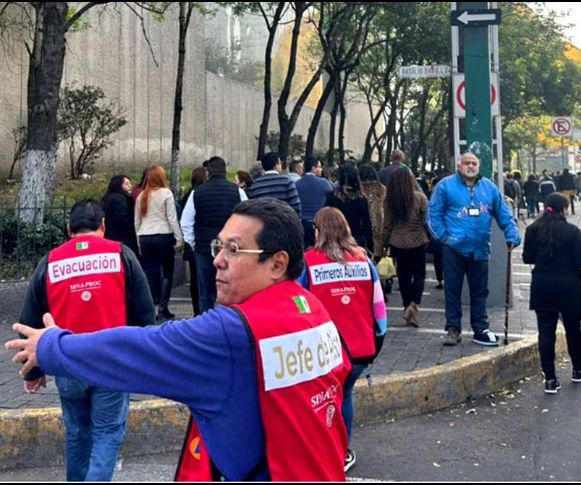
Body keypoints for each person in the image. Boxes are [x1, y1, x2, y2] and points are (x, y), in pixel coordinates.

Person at [7, 199, 352, 481]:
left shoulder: (230, 333)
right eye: (219, 246)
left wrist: (49, 347)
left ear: (277, 264)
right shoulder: (312, 310)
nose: (217, 260)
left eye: (234, 249)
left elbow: (140, 350)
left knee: (84, 434)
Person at [18, 200, 155, 481]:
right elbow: (144, 313)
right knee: (107, 432)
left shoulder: (50, 261)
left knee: (77, 433)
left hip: (67, 362)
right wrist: (145, 360)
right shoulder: (121, 255)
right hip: (112, 361)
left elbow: (29, 319)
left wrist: (34, 370)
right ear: (103, 225)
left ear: (69, 230)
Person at [297, 207, 387, 473]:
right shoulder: (364, 261)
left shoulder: (307, 263)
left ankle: (319, 450)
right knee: (344, 395)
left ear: (318, 231)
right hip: (359, 350)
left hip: (321, 352)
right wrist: (376, 344)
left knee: (319, 401)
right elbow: (379, 310)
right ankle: (342, 450)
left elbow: (297, 304)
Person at [428, 152, 521, 347]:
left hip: (480, 248)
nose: (470, 166)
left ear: (478, 166)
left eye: (474, 163)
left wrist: (512, 234)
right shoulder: (445, 186)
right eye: (466, 163)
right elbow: (433, 214)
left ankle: (480, 328)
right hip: (454, 249)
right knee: (452, 290)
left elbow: (504, 214)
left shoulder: (489, 188)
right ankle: (453, 328)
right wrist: (444, 238)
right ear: (459, 166)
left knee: (480, 291)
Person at [523, 193, 581, 393]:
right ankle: (577, 369)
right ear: (564, 209)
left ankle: (550, 379)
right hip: (569, 286)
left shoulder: (532, 229)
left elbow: (527, 258)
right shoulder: (572, 231)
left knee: (545, 331)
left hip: (542, 285)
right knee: (573, 328)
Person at [181, 157, 248, 314]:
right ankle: (231, 318)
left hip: (204, 247)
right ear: (225, 172)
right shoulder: (237, 191)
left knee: (205, 292)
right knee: (231, 287)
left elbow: (186, 222)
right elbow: (247, 217)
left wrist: (193, 242)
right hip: (230, 249)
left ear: (208, 172)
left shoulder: (197, 193)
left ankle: (206, 320)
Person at [134, 165, 183, 321]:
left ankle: (152, 305)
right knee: (167, 272)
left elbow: (137, 221)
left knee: (151, 272)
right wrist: (179, 238)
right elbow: (172, 218)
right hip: (163, 234)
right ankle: (163, 307)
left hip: (145, 236)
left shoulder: (142, 195)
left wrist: (139, 242)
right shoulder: (166, 193)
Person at [383, 167, 430, 327]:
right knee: (419, 274)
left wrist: (383, 244)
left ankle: (406, 305)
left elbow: (387, 225)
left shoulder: (390, 201)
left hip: (397, 241)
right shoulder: (420, 198)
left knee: (403, 275)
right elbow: (427, 220)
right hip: (418, 241)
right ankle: (414, 305)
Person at [325, 164, 374, 254]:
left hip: (335, 239)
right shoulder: (361, 199)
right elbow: (366, 224)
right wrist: (370, 246)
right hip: (355, 240)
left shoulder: (331, 197)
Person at [180, 167, 208, 316]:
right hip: (200, 243)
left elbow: (184, 220)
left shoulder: (188, 195)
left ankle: (197, 310)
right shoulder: (201, 194)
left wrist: (189, 241)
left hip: (193, 244)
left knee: (195, 280)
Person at [246, 152, 302, 216]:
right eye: (280, 163)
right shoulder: (287, 181)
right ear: (276, 165)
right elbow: (296, 206)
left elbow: (252, 209)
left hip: (263, 221)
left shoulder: (255, 185)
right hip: (284, 220)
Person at [296, 157, 334, 249]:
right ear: (313, 168)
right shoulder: (324, 183)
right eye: (319, 167)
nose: (321, 169)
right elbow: (333, 195)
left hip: (302, 223)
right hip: (319, 223)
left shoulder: (296, 184)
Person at [101, 174, 139, 257]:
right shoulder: (120, 198)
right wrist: (131, 229)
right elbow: (121, 218)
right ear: (118, 185)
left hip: (109, 234)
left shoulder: (107, 198)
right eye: (126, 184)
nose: (130, 186)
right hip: (123, 237)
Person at [359, 163, 386, 261]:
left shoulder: (358, 189)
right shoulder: (382, 189)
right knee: (377, 255)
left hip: (362, 227)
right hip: (379, 226)